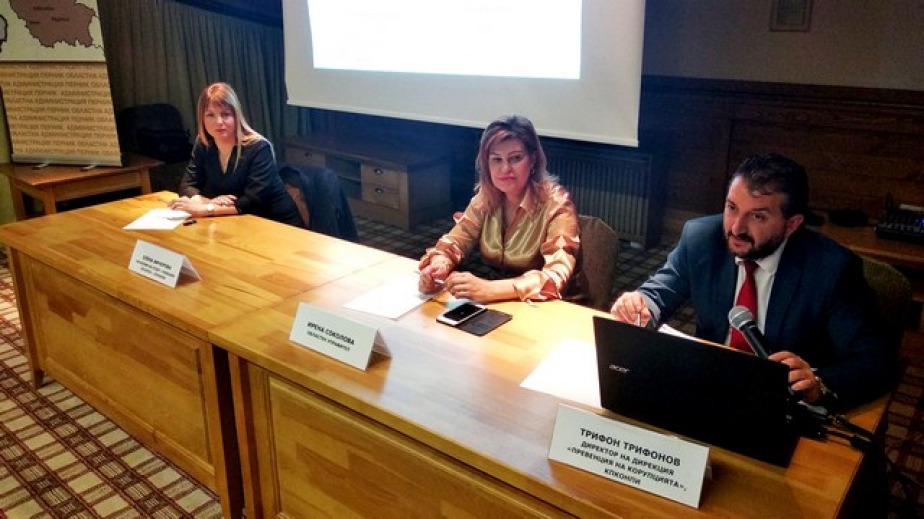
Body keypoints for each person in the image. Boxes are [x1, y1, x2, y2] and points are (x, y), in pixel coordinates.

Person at [610, 153, 897, 410]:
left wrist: (818, 384)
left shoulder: (832, 269)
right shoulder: (701, 238)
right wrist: (640, 304)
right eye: (732, 207)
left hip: (780, 404)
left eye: (757, 216)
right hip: (706, 388)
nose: (736, 228)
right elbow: (660, 292)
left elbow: (875, 360)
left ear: (792, 224)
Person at [418, 115, 586, 304]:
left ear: (532, 160)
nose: (505, 168)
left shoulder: (557, 203)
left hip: (550, 307)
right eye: (496, 160)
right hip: (499, 302)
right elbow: (455, 241)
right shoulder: (486, 197)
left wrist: (490, 289)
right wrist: (439, 265)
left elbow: (555, 278)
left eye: (515, 158)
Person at [168, 82, 302, 227]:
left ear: (236, 116)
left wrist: (207, 209)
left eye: (226, 114)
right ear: (202, 119)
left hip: (276, 224)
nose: (219, 122)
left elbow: (253, 201)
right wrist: (206, 202)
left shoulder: (259, 147)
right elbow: (187, 185)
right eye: (210, 115)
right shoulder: (203, 144)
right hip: (237, 222)